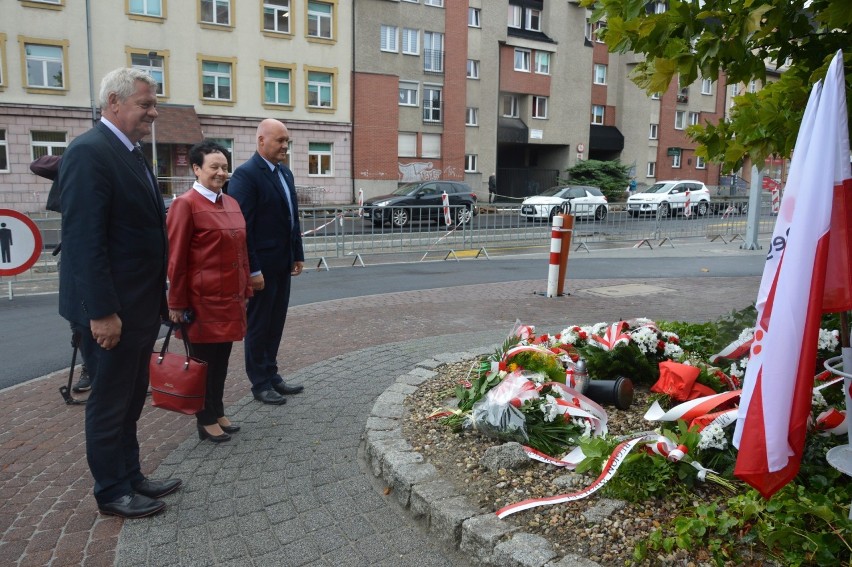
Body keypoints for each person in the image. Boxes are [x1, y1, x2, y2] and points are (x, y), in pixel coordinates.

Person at [57, 67, 180, 518]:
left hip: (139, 305)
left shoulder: (128, 151)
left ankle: (131, 475)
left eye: (153, 103)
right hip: (110, 311)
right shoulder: (89, 153)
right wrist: (102, 312)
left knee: (130, 397)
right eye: (145, 104)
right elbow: (85, 243)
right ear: (113, 102)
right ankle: (111, 490)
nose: (154, 111)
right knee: (110, 402)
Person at [166, 141, 251, 442]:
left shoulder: (230, 202)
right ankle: (204, 419)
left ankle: (217, 409)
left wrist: (246, 287)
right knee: (202, 363)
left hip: (229, 299)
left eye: (225, 167)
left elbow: (241, 250)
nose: (220, 172)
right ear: (197, 169)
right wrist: (175, 302)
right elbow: (176, 258)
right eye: (214, 166)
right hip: (201, 301)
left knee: (222, 360)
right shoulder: (185, 204)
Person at [228, 119, 305, 405]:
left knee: (276, 322)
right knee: (260, 324)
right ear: (261, 141)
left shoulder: (285, 173)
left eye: (287, 140)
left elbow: (292, 217)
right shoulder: (246, 175)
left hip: (283, 262)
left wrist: (297, 253)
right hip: (261, 267)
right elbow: (242, 227)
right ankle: (259, 382)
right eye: (279, 140)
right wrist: (253, 269)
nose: (285, 145)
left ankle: (273, 375)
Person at [29, 154, 92, 393]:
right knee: (78, 319)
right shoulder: (77, 166)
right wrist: (75, 159)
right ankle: (89, 367)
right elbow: (38, 165)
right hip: (74, 254)